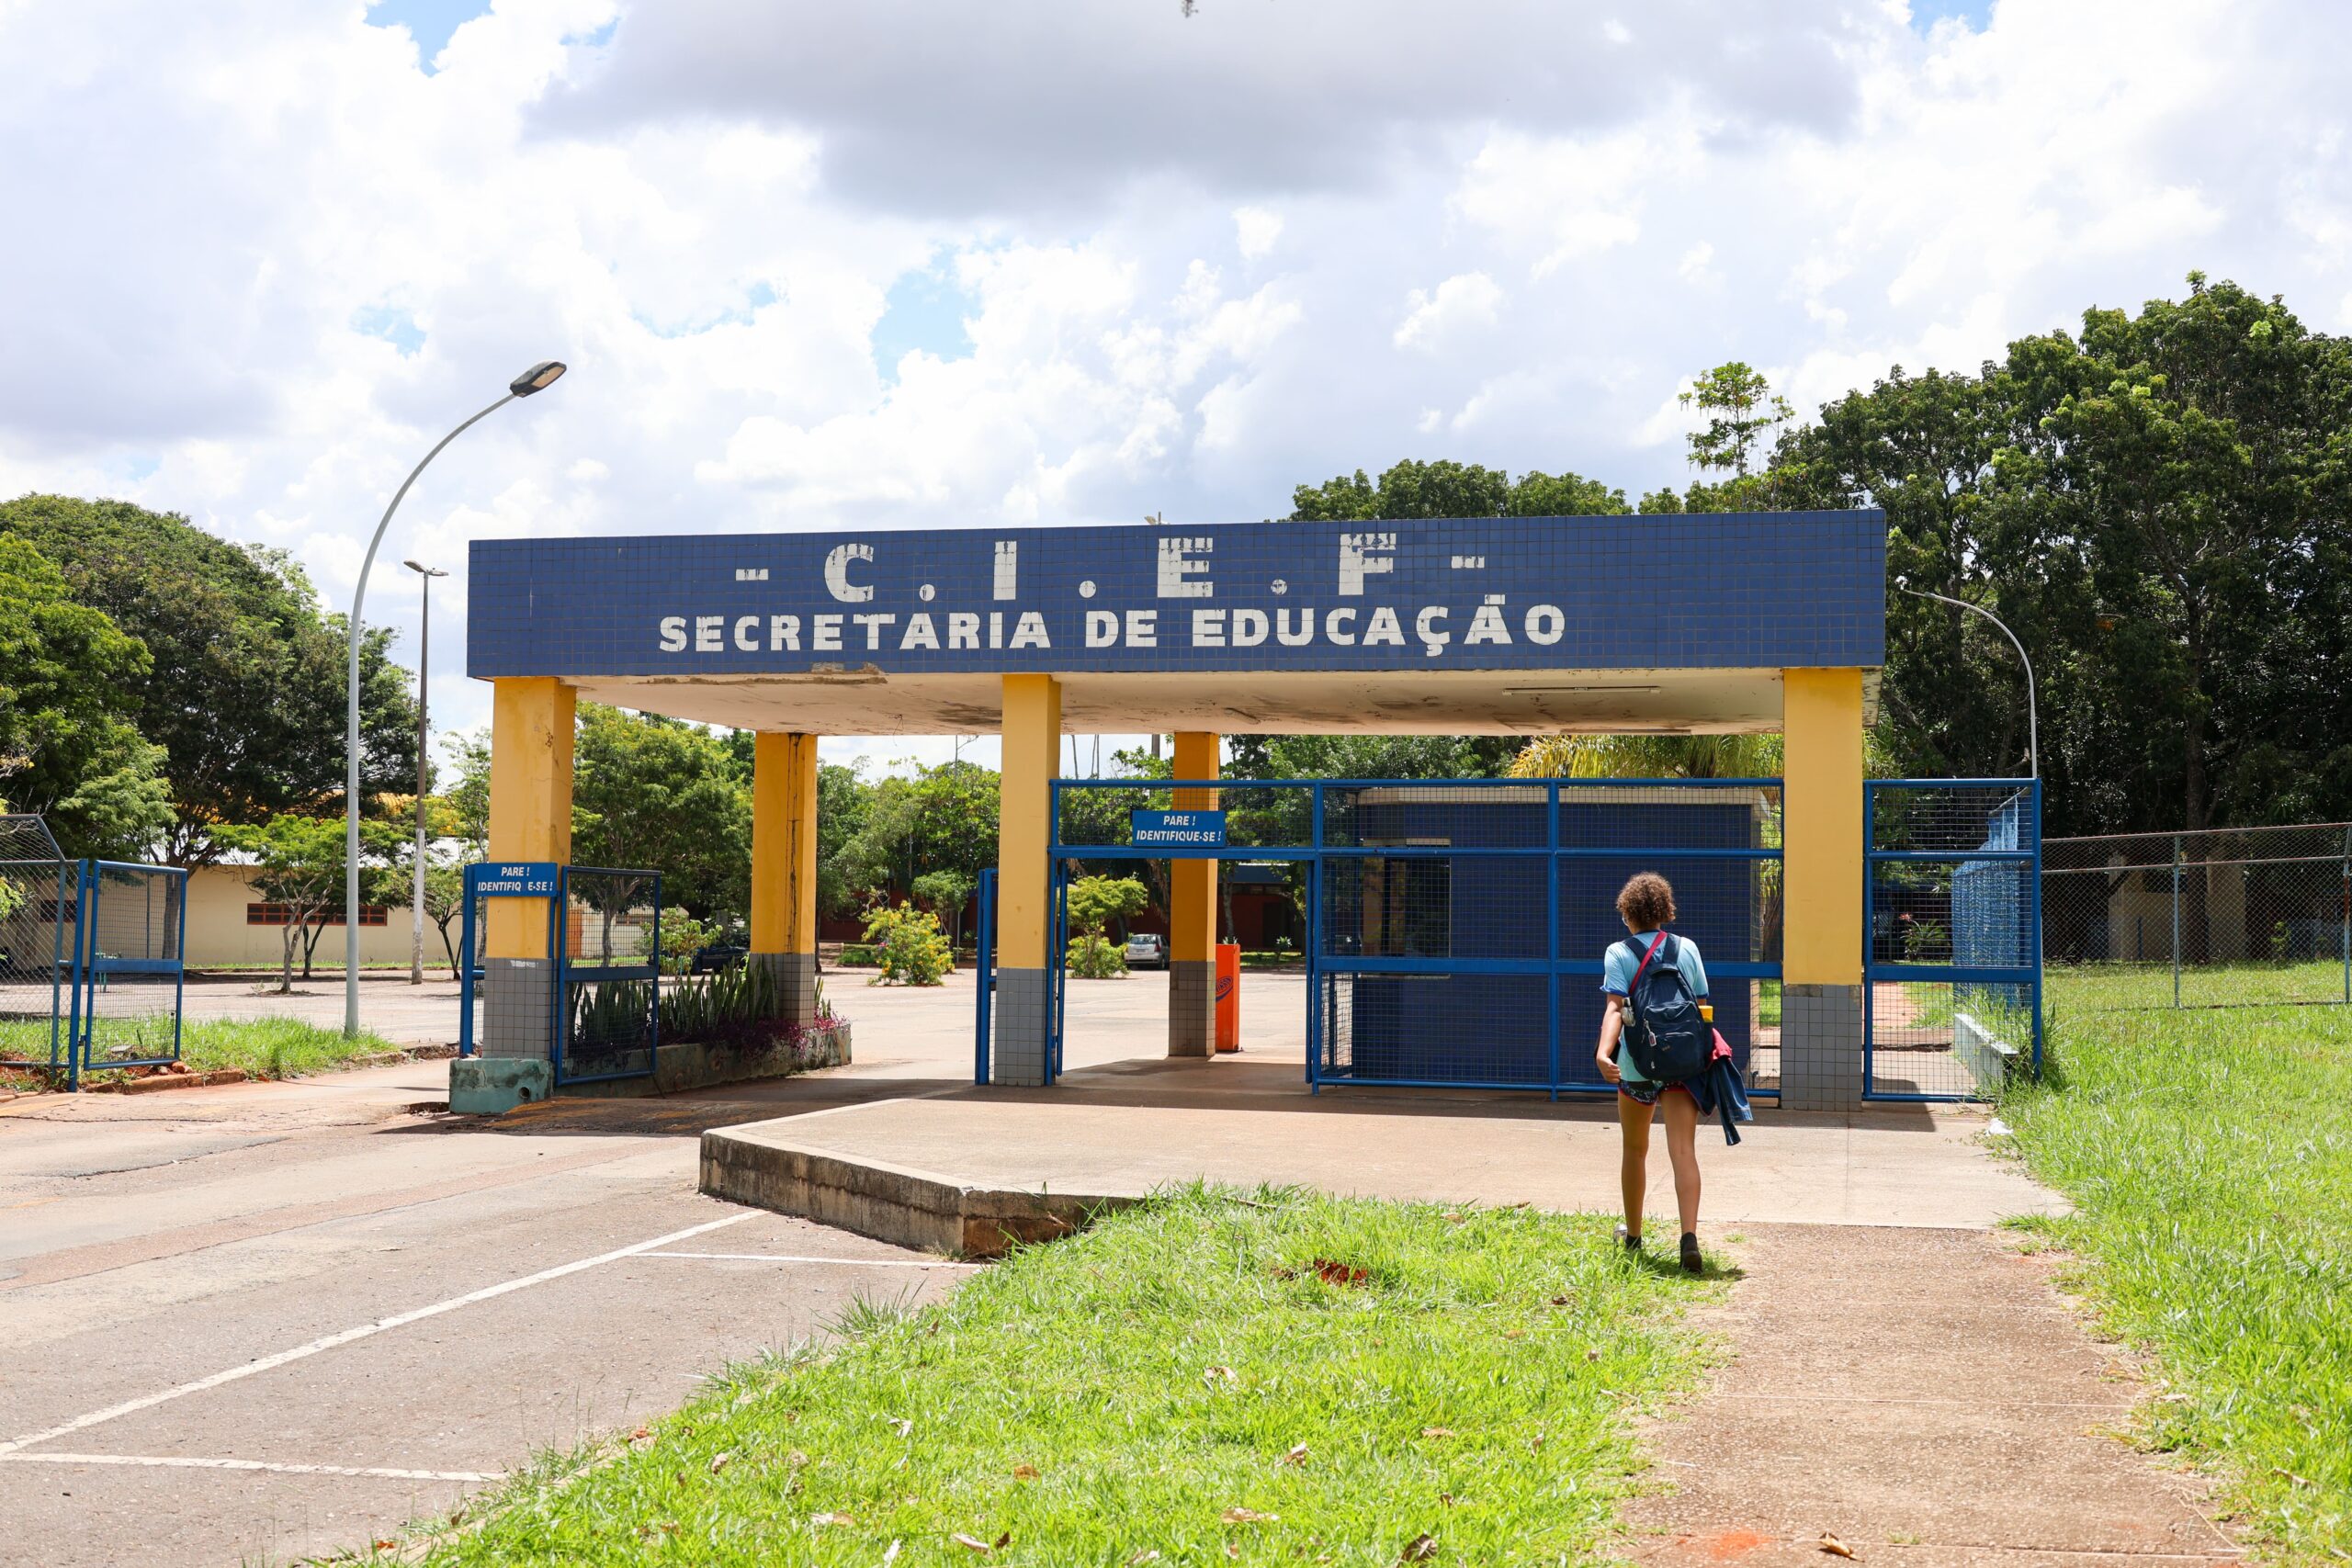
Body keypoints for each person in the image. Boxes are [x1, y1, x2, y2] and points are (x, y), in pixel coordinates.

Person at [1596, 871, 1708, 1274]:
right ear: (1664, 911)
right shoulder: (1687, 948)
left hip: (1637, 1066)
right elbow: (1702, 1008)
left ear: (1627, 913)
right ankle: (1689, 1239)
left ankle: (1634, 1236)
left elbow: (1615, 1007)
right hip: (1682, 1067)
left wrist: (1604, 1052)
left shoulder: (1618, 952)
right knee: (1683, 1151)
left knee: (1634, 1150)